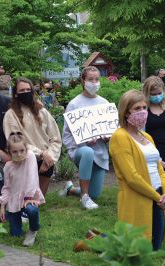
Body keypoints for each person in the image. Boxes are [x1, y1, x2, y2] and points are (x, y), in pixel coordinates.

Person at [109, 89, 165, 250]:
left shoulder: (147, 137)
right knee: (136, 246)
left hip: (157, 194)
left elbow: (159, 168)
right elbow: (132, 177)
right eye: (137, 109)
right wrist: (158, 197)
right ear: (125, 112)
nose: (143, 112)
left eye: (144, 108)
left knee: (155, 245)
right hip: (138, 197)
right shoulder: (120, 137)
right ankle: (95, 242)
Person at [61, 66, 110, 210]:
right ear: (83, 81)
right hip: (80, 151)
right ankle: (84, 197)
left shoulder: (104, 103)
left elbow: (111, 130)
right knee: (88, 151)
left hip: (100, 152)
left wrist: (108, 137)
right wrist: (84, 141)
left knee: (95, 193)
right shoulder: (74, 104)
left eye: (97, 79)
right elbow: (67, 135)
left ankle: (71, 189)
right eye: (90, 79)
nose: (94, 83)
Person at [3, 77, 62, 195]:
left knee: (37, 201)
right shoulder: (11, 115)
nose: (26, 93)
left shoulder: (42, 111)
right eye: (22, 91)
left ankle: (39, 198)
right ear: (16, 94)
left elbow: (55, 138)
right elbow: (14, 141)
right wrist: (40, 154)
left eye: (28, 90)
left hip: (45, 160)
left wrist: (49, 156)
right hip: (24, 157)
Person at [0, 132, 45, 247]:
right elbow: (7, 187)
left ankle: (33, 229)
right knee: (15, 234)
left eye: (22, 150)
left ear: (26, 149)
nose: (19, 154)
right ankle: (14, 221)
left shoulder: (30, 157)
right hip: (14, 202)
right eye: (14, 151)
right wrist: (2, 205)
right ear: (9, 151)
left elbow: (32, 176)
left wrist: (29, 197)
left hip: (29, 197)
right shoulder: (8, 166)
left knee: (32, 210)